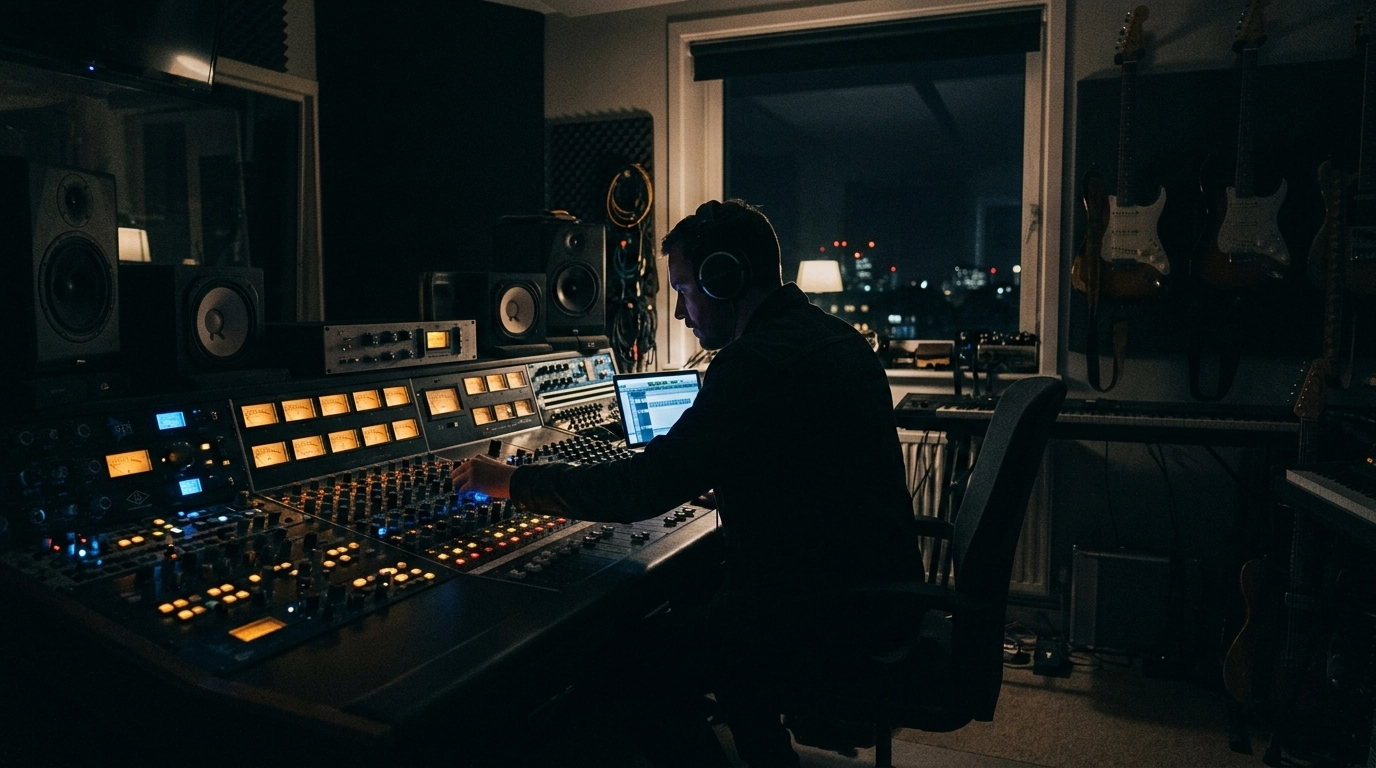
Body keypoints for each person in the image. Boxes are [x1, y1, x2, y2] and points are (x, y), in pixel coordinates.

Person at [453, 199, 920, 767]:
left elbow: (638, 491)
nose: (679, 312)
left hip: (822, 620)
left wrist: (512, 483)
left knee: (627, 661)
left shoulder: (752, 366)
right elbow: (807, 472)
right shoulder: (837, 340)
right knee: (692, 598)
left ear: (725, 281)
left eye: (684, 290)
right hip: (871, 600)